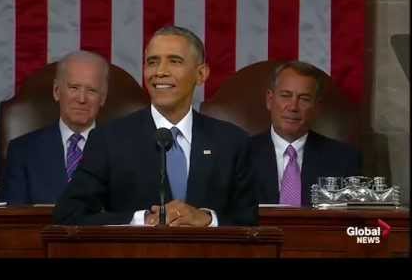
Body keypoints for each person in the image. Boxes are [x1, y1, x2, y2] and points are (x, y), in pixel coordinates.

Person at [53, 26, 258, 226]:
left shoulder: (232, 142)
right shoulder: (109, 139)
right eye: (152, 62)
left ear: (201, 74)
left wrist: (207, 219)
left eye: (174, 61)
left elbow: (249, 221)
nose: (159, 72)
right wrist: (142, 220)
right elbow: (69, 214)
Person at [0, 50, 109, 204]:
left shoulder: (124, 151)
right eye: (74, 88)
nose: (82, 99)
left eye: (91, 90)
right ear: (57, 91)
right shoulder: (22, 152)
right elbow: (13, 222)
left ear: (102, 98)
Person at [249, 60, 362, 206]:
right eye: (286, 95)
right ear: (270, 100)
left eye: (304, 99)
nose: (293, 107)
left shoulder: (345, 159)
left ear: (317, 107)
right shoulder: (240, 154)